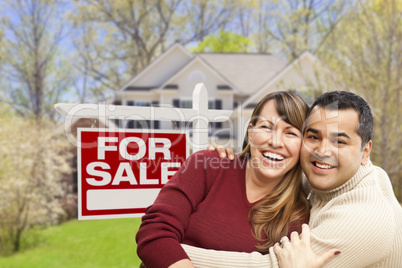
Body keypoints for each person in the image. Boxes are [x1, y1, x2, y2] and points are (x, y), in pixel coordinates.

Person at [182, 91, 402, 267]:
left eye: (340, 142)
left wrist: (170, 252)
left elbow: (270, 266)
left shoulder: (365, 220)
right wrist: (233, 159)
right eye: (314, 137)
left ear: (366, 152)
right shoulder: (325, 178)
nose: (322, 151)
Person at [136, 91, 316, 268]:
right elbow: (154, 232)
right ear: (251, 133)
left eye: (291, 133)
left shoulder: (297, 215)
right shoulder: (208, 165)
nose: (276, 142)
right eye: (266, 127)